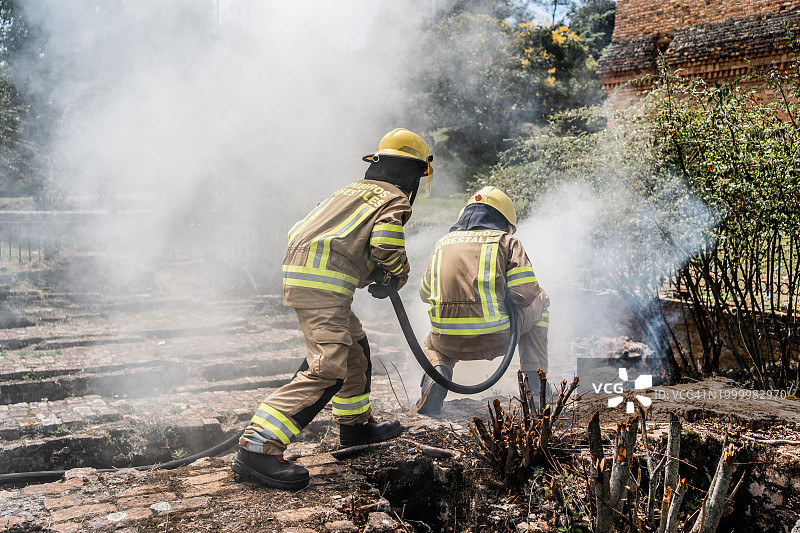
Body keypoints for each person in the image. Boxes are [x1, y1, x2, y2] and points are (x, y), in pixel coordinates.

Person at [233, 128, 434, 489]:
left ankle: (356, 428)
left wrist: (371, 270)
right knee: (329, 367)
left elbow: (331, 231)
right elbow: (386, 241)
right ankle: (258, 448)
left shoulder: (351, 189)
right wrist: (397, 275)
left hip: (309, 272)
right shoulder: (393, 197)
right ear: (415, 172)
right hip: (324, 281)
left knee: (355, 349)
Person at [415, 186, 549, 416]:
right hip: (498, 337)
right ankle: (535, 387)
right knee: (542, 300)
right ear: (504, 222)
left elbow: (424, 294)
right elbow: (526, 294)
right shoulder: (507, 241)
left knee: (433, 344)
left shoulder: (442, 243)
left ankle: (437, 372)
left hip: (448, 341)